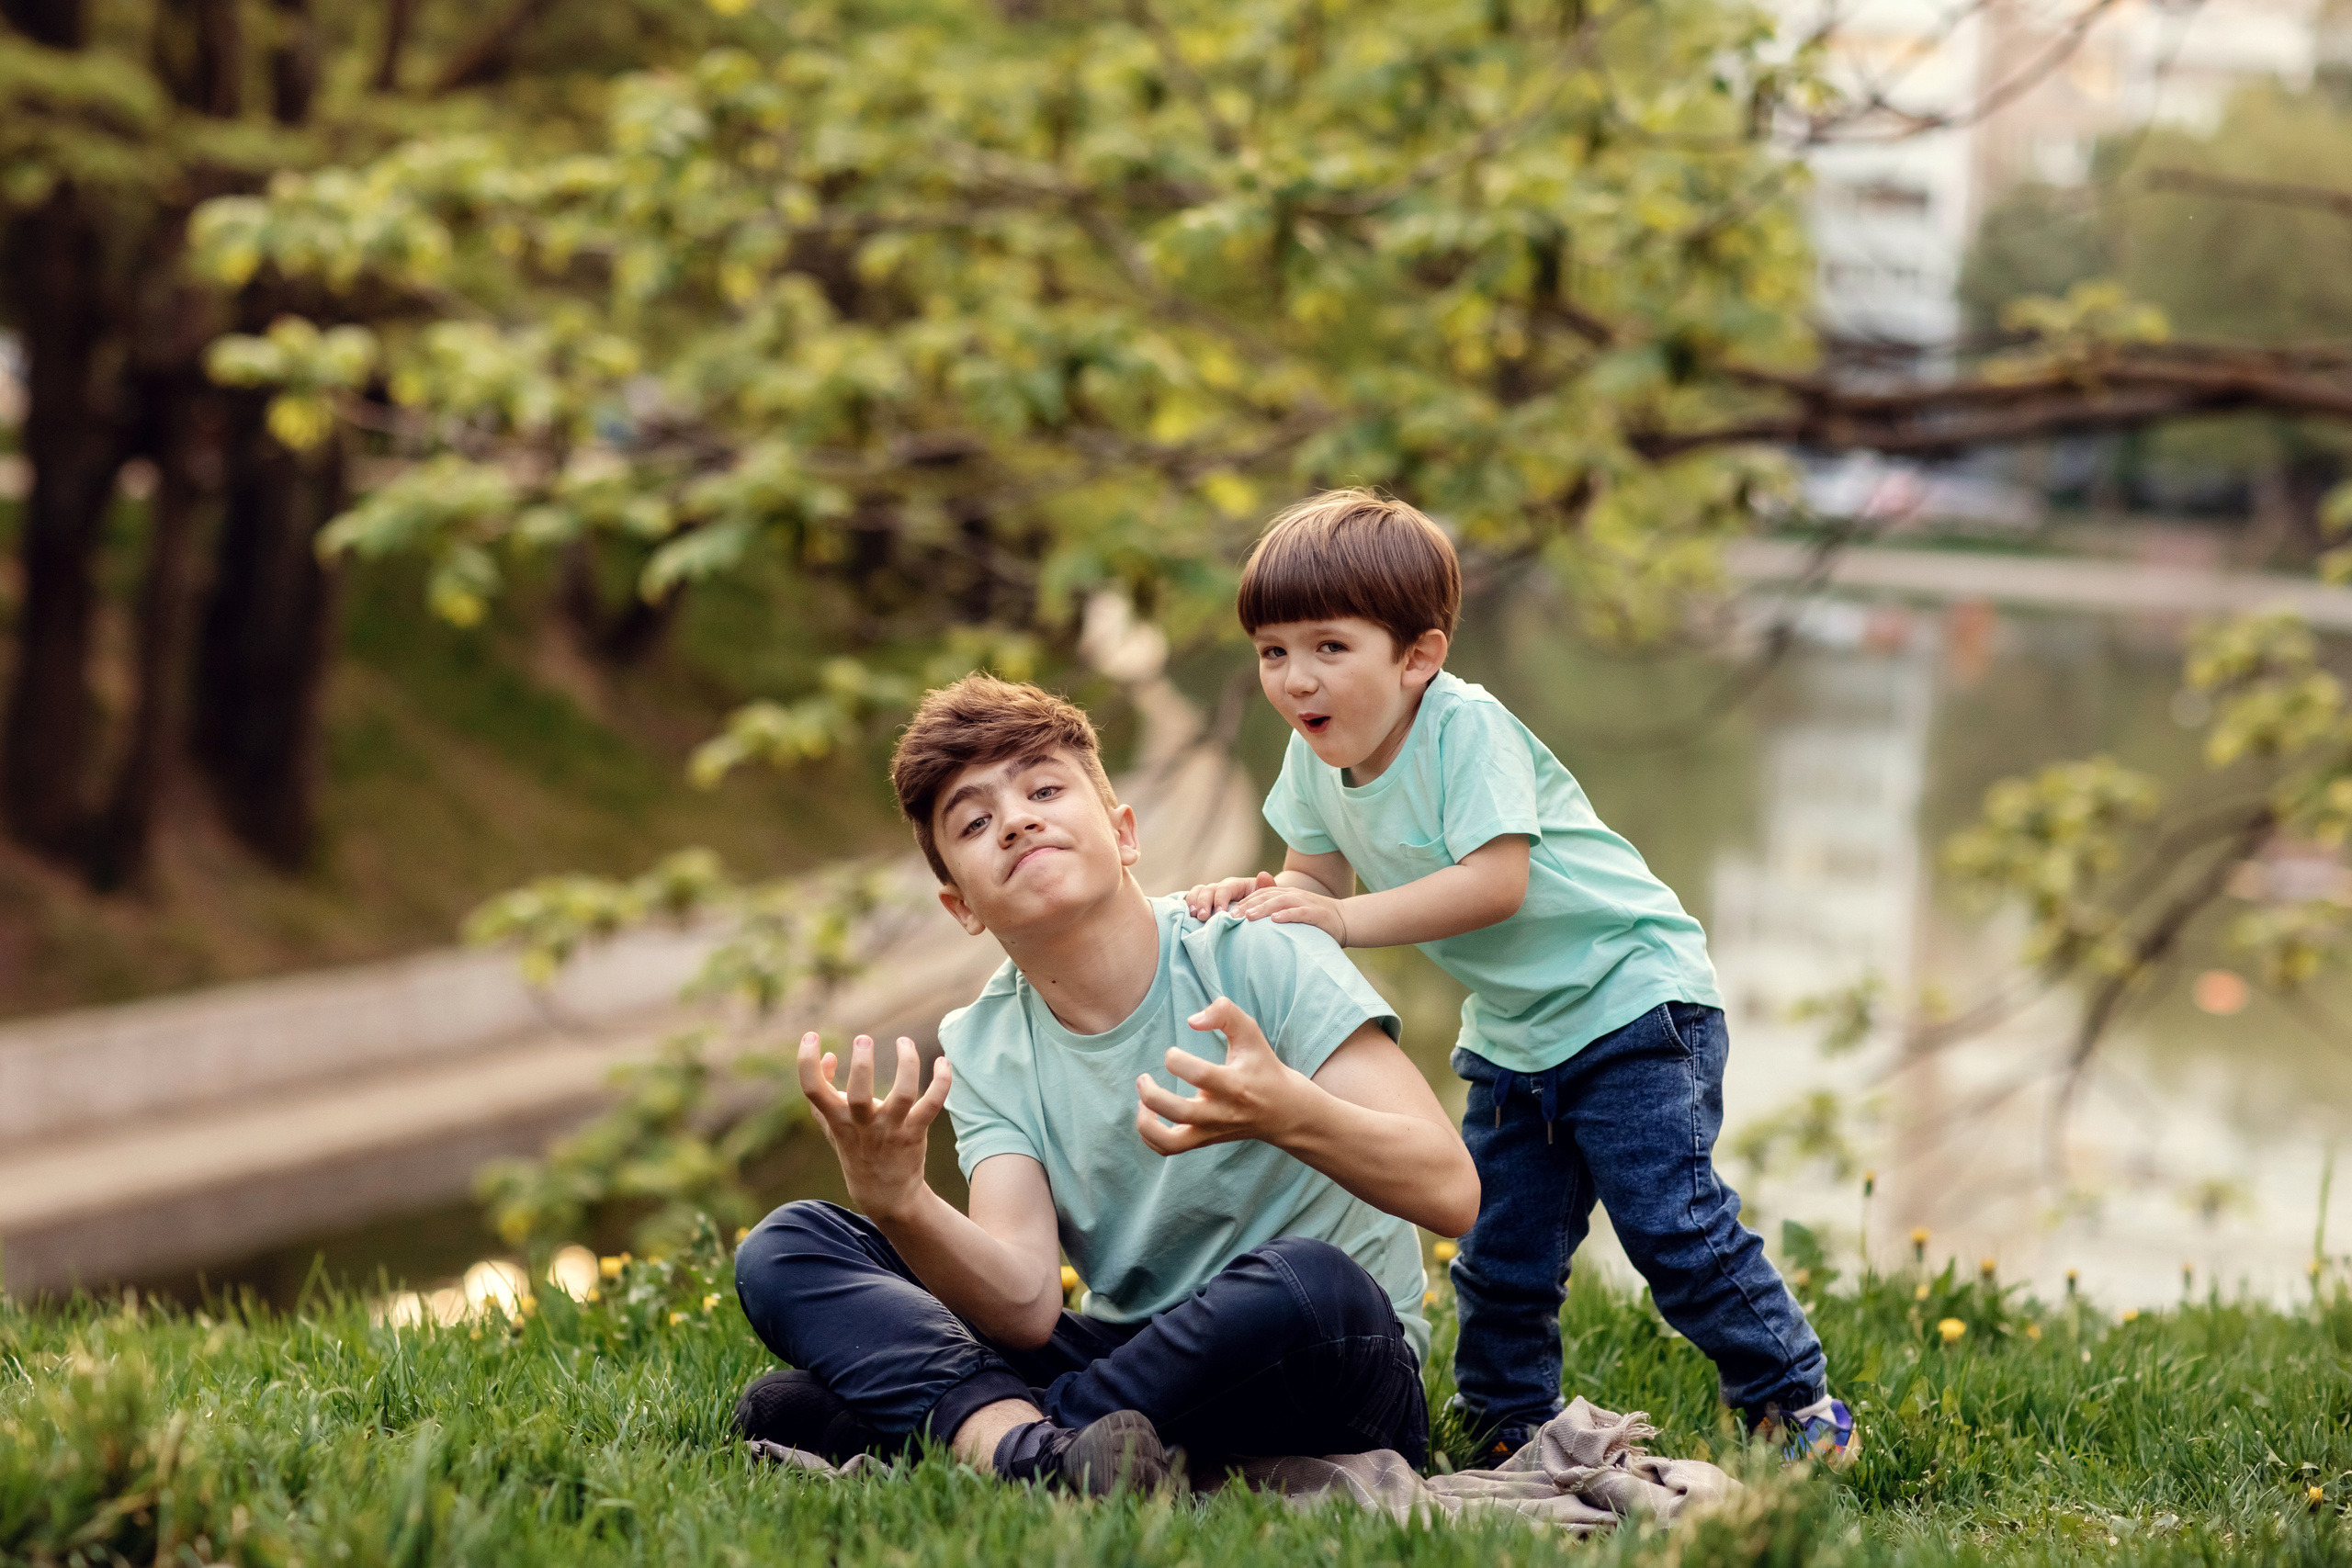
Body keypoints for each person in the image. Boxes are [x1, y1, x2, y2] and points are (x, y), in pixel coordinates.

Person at [1185, 489, 1855, 1469]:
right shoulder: (1313, 754)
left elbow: (1495, 884)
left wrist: (1337, 916)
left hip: (1632, 997)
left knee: (1671, 1226)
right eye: (1272, 651)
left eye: (1329, 647)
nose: (1294, 679)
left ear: (1418, 655)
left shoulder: (1466, 730)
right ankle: (1506, 1424)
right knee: (1500, 1250)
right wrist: (1251, 907)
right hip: (1515, 1029)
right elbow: (1312, 885)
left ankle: (1794, 1404)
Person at [731, 674, 1479, 1494]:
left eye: (1045, 789)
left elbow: (1451, 1192)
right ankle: (1054, 1452)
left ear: (1124, 833)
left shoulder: (1262, 948)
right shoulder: (984, 1042)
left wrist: (1287, 1111)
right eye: (975, 822)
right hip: (1135, 1361)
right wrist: (899, 1200)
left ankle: (1002, 1438)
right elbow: (1023, 1303)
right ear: (961, 905)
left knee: (1312, 1282)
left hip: (1330, 1363)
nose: (1016, 820)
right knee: (789, 1243)